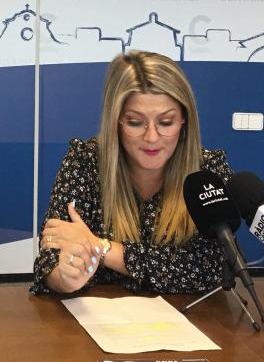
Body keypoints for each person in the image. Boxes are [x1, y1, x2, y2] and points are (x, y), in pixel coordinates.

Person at [32, 50, 233, 295]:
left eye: (166, 122)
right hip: (98, 315)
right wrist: (66, 277)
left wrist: (100, 248)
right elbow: (50, 259)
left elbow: (209, 268)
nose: (152, 137)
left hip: (192, 316)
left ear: (184, 120)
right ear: (116, 121)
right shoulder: (85, 162)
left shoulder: (208, 172)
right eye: (135, 122)